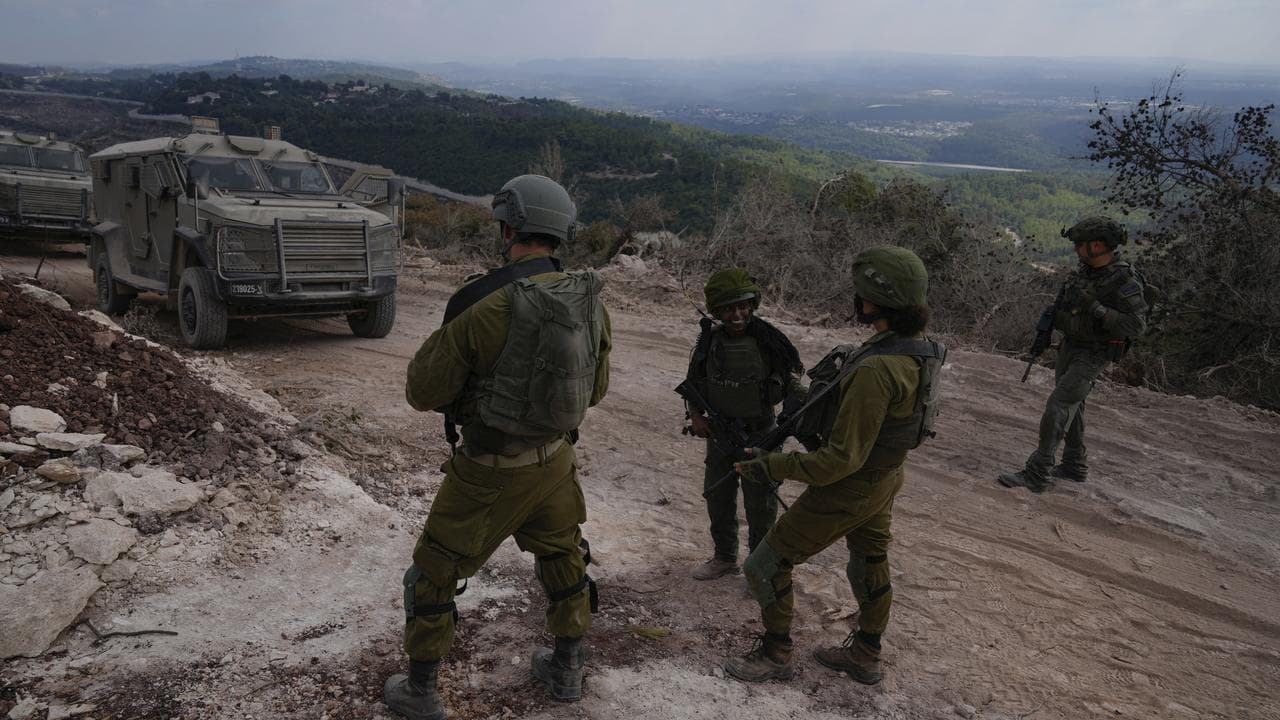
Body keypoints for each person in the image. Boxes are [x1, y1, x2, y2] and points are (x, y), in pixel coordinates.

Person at [384, 174, 612, 719]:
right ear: (561, 232)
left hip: (488, 471)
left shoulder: (484, 305)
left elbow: (423, 392)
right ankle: (567, 667)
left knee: (434, 572)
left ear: (508, 229)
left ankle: (420, 691)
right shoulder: (588, 301)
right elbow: (597, 390)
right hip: (556, 463)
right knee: (564, 556)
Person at [723, 246, 946, 686]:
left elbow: (838, 461)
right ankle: (866, 654)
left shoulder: (878, 369)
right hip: (885, 477)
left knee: (764, 565)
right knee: (870, 557)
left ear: (876, 299)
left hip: (851, 486)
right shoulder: (920, 351)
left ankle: (776, 654)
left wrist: (771, 465)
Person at [998, 216, 1147, 493]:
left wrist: (1095, 308)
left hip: (1095, 352)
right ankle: (1074, 464)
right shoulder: (1085, 272)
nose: (1076, 248)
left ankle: (1038, 472)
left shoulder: (1123, 280)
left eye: (1080, 243)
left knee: (1058, 405)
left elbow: (1136, 326)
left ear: (1098, 245)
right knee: (1072, 406)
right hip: (1071, 346)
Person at [683, 268, 803, 580]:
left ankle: (759, 567)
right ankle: (724, 558)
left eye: (742, 306)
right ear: (717, 311)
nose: (736, 315)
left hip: (762, 434)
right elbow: (693, 383)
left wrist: (801, 409)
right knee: (718, 498)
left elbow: (791, 381)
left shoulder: (768, 341)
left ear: (752, 305)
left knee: (761, 504)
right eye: (728, 309)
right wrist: (696, 416)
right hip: (720, 436)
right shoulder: (708, 343)